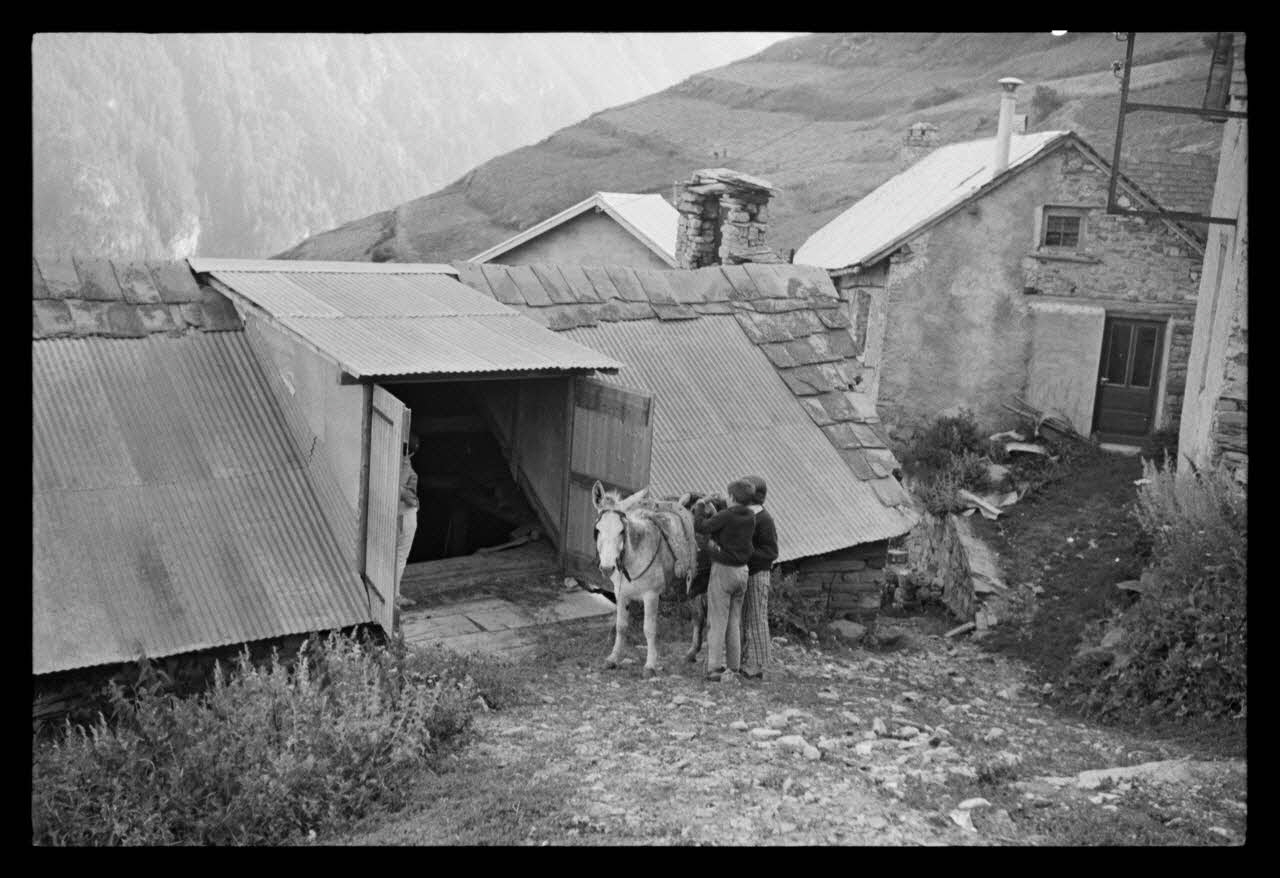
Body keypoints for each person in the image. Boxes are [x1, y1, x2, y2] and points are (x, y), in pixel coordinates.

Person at [693, 479, 757, 682]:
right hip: (742, 572)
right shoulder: (750, 516)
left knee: (718, 620)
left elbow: (701, 527)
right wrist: (718, 508)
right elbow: (726, 527)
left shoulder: (727, 516)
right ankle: (734, 667)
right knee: (734, 622)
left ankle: (714, 667)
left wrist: (702, 504)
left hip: (724, 571)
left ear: (732, 498)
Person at [740, 475, 779, 680]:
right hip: (746, 573)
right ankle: (747, 661)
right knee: (746, 618)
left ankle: (760, 664)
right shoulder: (747, 515)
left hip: (758, 574)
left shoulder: (764, 519)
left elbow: (771, 552)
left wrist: (745, 554)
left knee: (756, 619)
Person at [395, 433, 420, 594]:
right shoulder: (405, 466)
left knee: (393, 554)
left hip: (394, 512)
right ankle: (395, 595)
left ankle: (391, 593)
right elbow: (401, 490)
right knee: (400, 555)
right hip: (405, 513)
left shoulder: (390, 459)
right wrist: (414, 501)